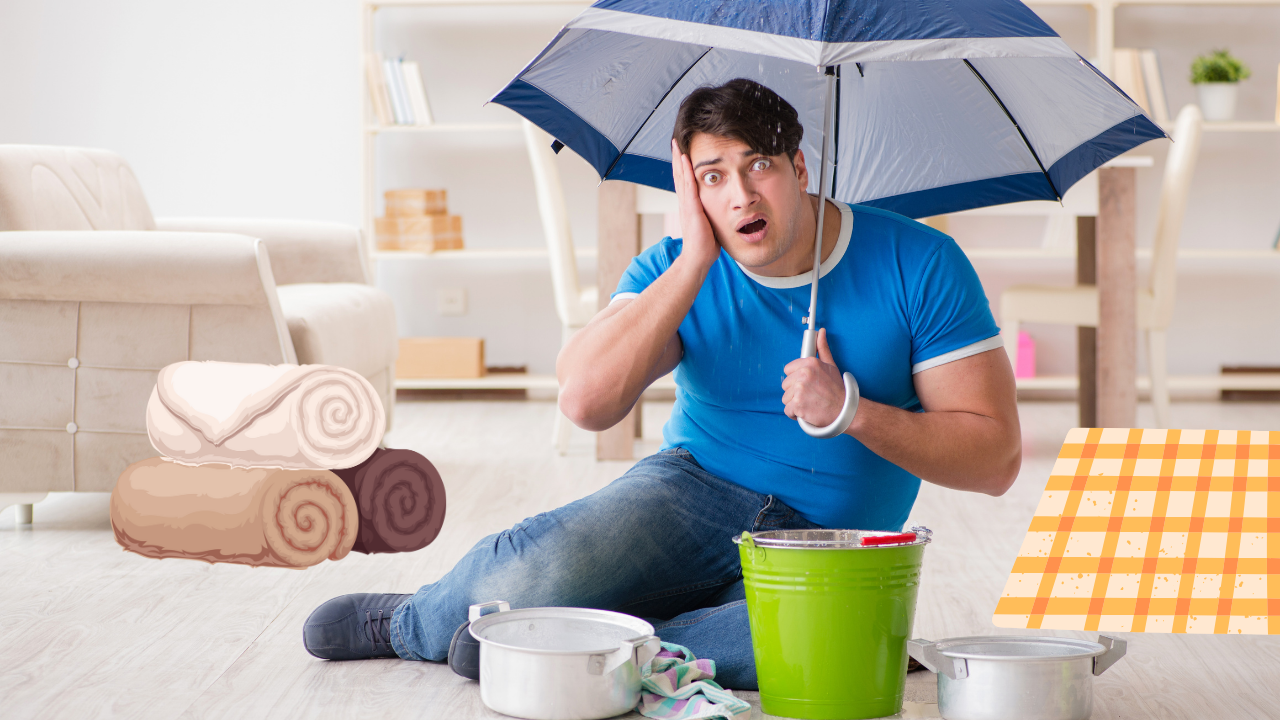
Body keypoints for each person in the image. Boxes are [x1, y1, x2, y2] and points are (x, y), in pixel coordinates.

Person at [301, 78, 1021, 689]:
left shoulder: (921, 262)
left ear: (800, 167)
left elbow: (995, 461)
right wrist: (691, 265)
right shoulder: (675, 269)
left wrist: (853, 410)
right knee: (540, 568)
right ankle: (411, 621)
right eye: (713, 176)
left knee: (830, 642)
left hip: (834, 541)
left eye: (759, 165)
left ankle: (575, 638)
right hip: (693, 492)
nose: (741, 194)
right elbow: (586, 401)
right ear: (691, 190)